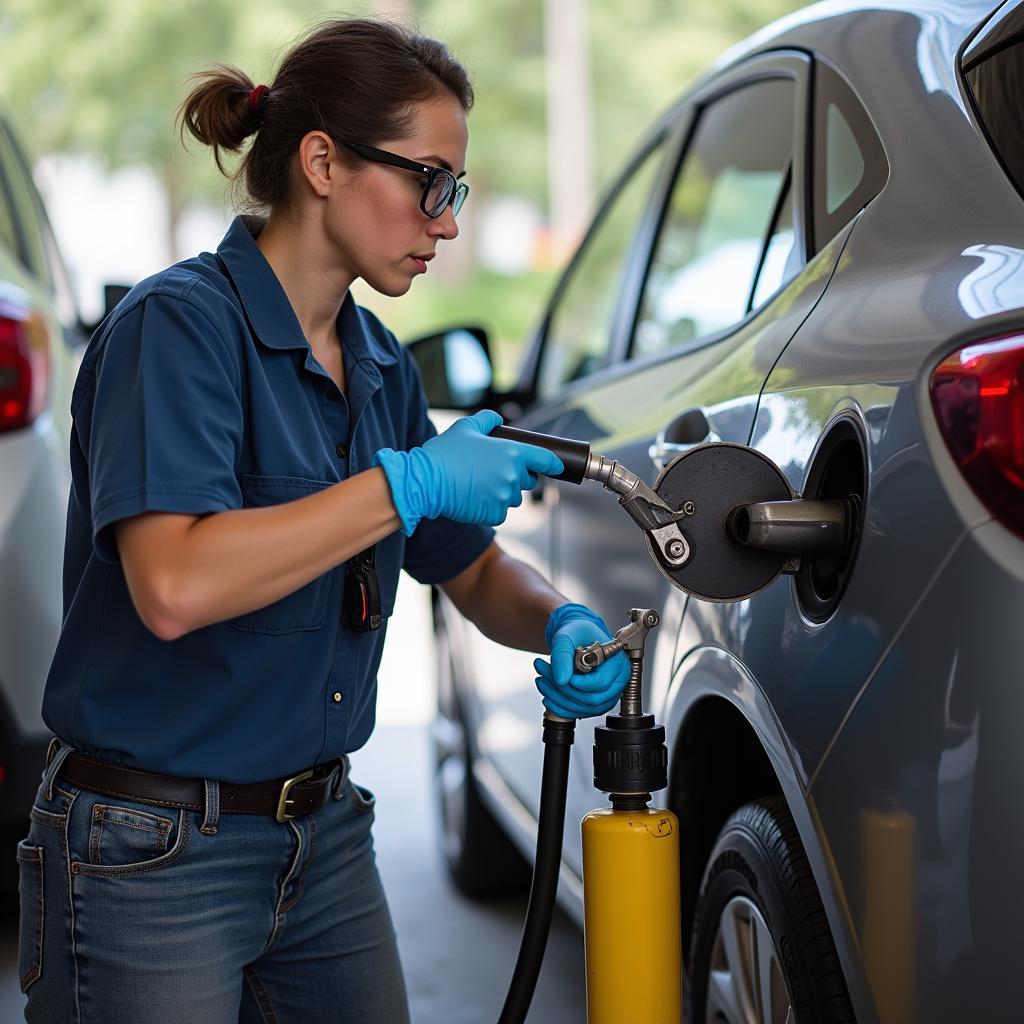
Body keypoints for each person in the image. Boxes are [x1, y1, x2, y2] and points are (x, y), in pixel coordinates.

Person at [16, 17, 630, 1024]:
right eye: (430, 181)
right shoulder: (178, 331)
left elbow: (467, 571)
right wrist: (405, 484)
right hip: (150, 850)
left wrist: (558, 618)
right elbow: (174, 585)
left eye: (456, 192)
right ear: (321, 163)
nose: (446, 222)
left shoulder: (379, 364)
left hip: (324, 838)